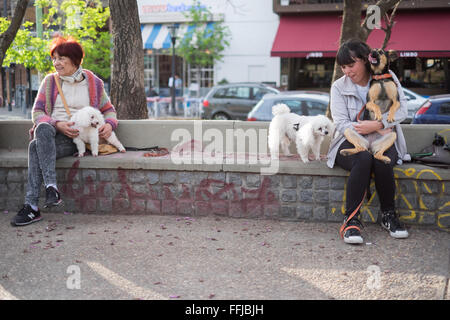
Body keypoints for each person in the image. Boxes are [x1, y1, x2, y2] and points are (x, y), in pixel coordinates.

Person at [10, 36, 119, 227]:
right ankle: (52, 187)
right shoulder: (50, 81)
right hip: (51, 133)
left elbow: (109, 110)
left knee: (35, 147)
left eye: (61, 58)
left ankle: (32, 207)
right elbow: (37, 113)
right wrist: (57, 124)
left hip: (76, 139)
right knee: (43, 128)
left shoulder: (94, 83)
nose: (56, 63)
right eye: (54, 58)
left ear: (75, 60)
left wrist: (109, 124)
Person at [327, 39, 409, 244]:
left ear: (365, 60)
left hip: (382, 137)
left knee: (382, 160)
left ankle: (388, 215)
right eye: (343, 67)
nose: (347, 71)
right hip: (349, 140)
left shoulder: (387, 77)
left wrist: (377, 125)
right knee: (363, 158)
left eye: (351, 65)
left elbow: (403, 110)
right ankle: (351, 220)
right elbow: (341, 122)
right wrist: (361, 137)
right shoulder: (339, 87)